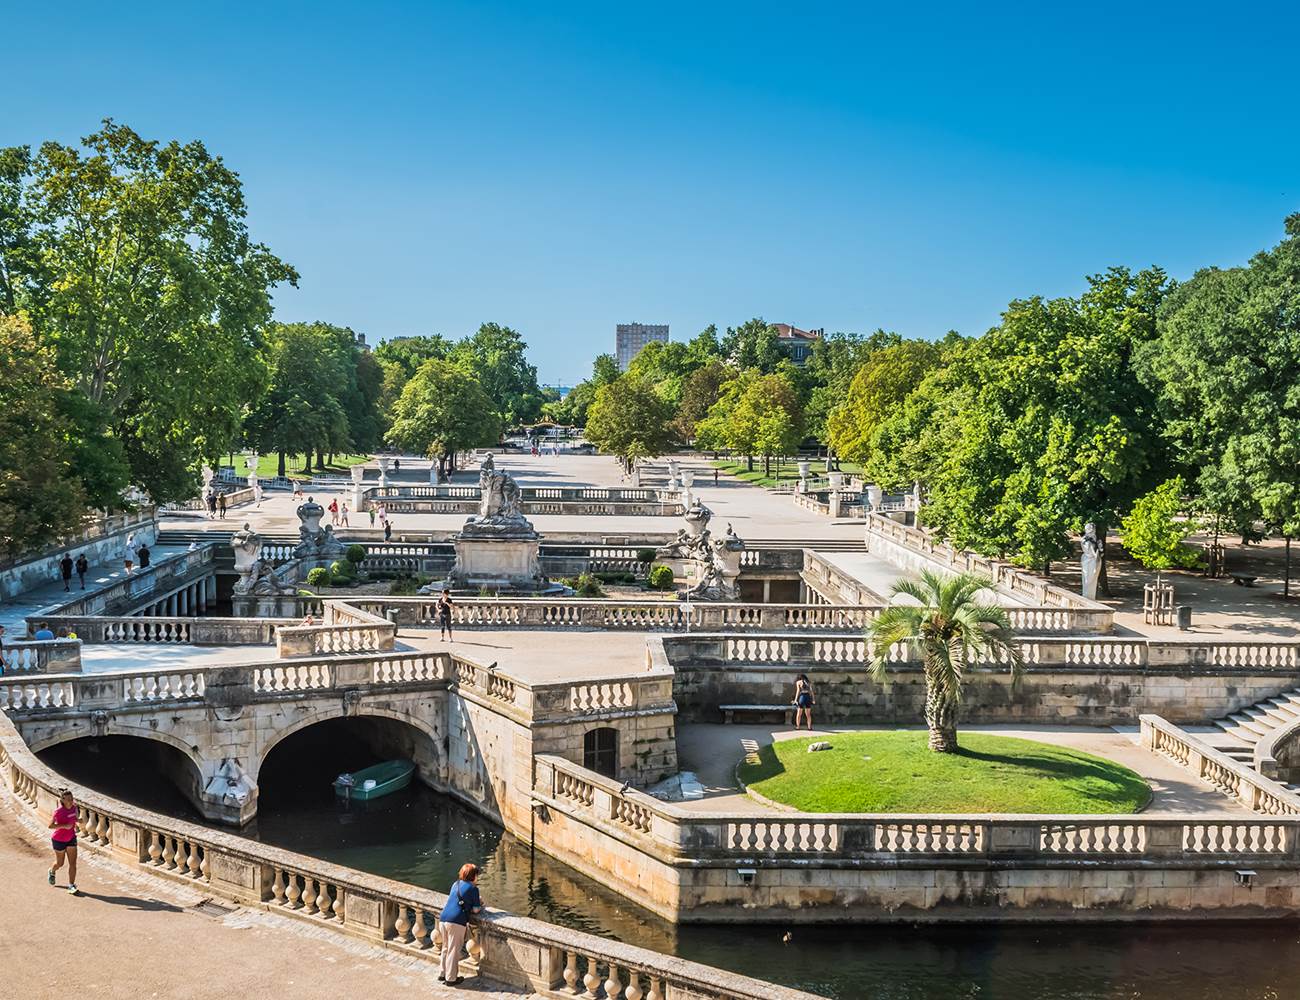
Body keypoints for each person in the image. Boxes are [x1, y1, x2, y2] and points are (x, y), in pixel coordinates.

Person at [438, 863, 482, 985]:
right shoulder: (473, 888)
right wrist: (480, 903)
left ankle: (442, 973)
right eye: (477, 875)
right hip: (456, 921)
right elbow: (476, 910)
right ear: (474, 876)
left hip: (443, 918)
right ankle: (451, 979)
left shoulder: (455, 884)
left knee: (445, 947)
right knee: (453, 950)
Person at [47, 788, 79, 894]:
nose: (70, 801)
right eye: (68, 799)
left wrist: (79, 820)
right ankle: (52, 871)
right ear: (63, 800)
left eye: (71, 798)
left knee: (73, 863)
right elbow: (50, 825)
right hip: (58, 840)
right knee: (60, 863)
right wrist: (64, 826)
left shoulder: (74, 808)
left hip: (71, 838)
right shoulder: (58, 811)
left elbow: (74, 818)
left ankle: (71, 885)